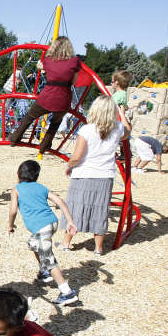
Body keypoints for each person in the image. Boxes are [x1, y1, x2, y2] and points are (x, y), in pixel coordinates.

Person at [58, 95, 128, 256]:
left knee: (75, 208)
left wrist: (69, 166)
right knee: (100, 210)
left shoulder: (87, 130)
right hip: (105, 176)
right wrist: (122, 113)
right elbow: (127, 131)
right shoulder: (117, 128)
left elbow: (77, 156)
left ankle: (66, 242)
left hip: (84, 174)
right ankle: (98, 248)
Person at [8, 160, 79, 306]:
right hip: (51, 223)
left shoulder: (17, 189)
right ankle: (44, 271)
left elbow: (13, 210)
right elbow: (59, 201)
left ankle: (67, 292)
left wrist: (10, 224)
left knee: (48, 259)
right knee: (33, 244)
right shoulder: (41, 187)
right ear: (36, 175)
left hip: (41, 227)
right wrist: (70, 221)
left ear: (18, 174)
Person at [7, 37, 81, 156]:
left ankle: (15, 138)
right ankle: (45, 145)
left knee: (29, 116)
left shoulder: (48, 60)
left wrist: (41, 68)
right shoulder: (75, 61)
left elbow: (41, 68)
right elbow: (73, 82)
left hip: (48, 96)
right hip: (64, 98)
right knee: (55, 122)